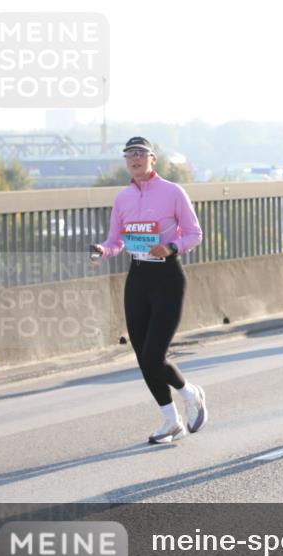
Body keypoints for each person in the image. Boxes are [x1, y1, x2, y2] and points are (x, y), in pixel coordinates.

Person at [90, 137, 207, 444]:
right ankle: (171, 421)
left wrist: (170, 247)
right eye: (129, 155)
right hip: (137, 278)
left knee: (155, 354)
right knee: (143, 356)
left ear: (153, 159)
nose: (135, 159)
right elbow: (116, 241)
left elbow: (195, 234)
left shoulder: (172, 192)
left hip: (167, 278)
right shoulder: (122, 198)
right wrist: (103, 250)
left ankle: (191, 394)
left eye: (141, 153)